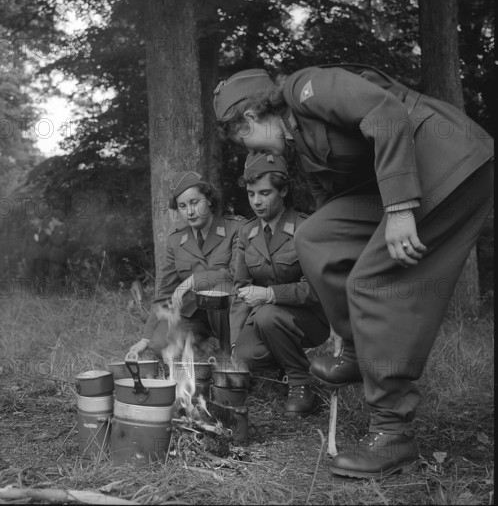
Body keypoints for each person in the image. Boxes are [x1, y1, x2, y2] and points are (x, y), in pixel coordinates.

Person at [213, 65, 494, 478]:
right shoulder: (299, 146)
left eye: (241, 139)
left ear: (249, 120)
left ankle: (391, 433)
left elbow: (386, 113)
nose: (247, 150)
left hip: (446, 165)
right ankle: (357, 348)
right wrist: (338, 327)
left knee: (373, 282)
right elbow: (334, 205)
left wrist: (399, 208)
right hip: (392, 185)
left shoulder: (308, 90)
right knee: (314, 238)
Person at [231, 152, 329, 416]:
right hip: (266, 319)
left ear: (283, 189)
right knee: (244, 357)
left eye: (264, 193)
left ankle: (301, 383)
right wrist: (233, 345)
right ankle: (283, 362)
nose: (256, 202)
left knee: (266, 315)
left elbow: (316, 290)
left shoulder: (306, 228)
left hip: (309, 319)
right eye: (251, 194)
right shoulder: (246, 232)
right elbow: (240, 290)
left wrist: (268, 293)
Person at [129, 171, 245, 361]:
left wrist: (192, 281)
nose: (190, 212)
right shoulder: (176, 240)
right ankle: (202, 352)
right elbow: (165, 292)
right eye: (183, 206)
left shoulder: (235, 228)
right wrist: (145, 337)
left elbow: (235, 274)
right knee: (160, 344)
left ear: (208, 200)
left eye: (194, 202)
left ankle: (230, 357)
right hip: (194, 313)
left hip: (228, 312)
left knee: (221, 290)